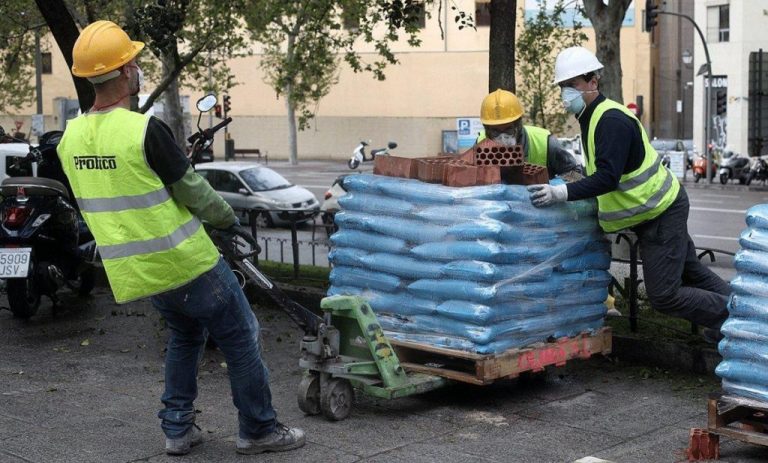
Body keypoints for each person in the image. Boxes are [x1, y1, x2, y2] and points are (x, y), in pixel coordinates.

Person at [56, 20, 305, 456]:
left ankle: (177, 429)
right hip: (188, 262)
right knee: (242, 335)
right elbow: (193, 190)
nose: (138, 69)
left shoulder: (69, 139)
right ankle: (259, 429)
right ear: (126, 70)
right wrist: (227, 220)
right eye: (135, 62)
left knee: (185, 336)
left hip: (141, 271)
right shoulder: (143, 130)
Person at [527, 46, 730, 341]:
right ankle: (750, 316)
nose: (565, 93)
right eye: (562, 86)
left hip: (660, 213)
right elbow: (598, 169)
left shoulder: (610, 120)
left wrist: (561, 193)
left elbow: (607, 178)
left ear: (593, 82)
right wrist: (565, 178)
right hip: (655, 211)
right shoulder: (591, 117)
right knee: (692, 273)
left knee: (664, 295)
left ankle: (734, 319)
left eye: (572, 84)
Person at [476, 89, 582, 179]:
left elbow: (575, 176)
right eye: (495, 131)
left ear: (518, 125)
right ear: (487, 130)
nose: (502, 137)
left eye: (508, 129)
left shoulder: (545, 143)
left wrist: (556, 190)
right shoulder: (480, 145)